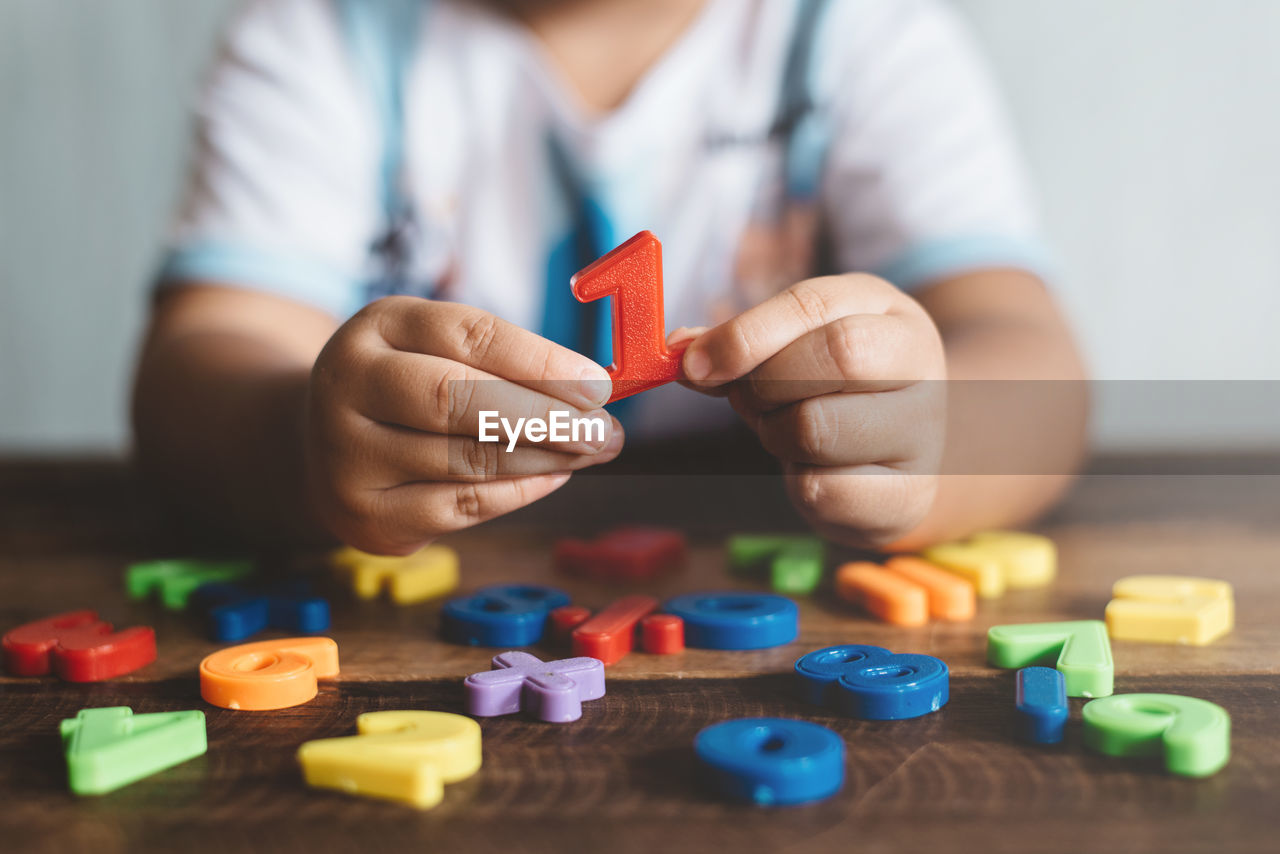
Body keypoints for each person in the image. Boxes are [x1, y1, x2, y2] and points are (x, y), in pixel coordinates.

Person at [133, 0, 1088, 555]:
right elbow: (196, 369)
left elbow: (1032, 357)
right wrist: (302, 444)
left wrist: (939, 443)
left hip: (763, 575)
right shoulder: (319, 35)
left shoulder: (862, 34)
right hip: (431, 582)